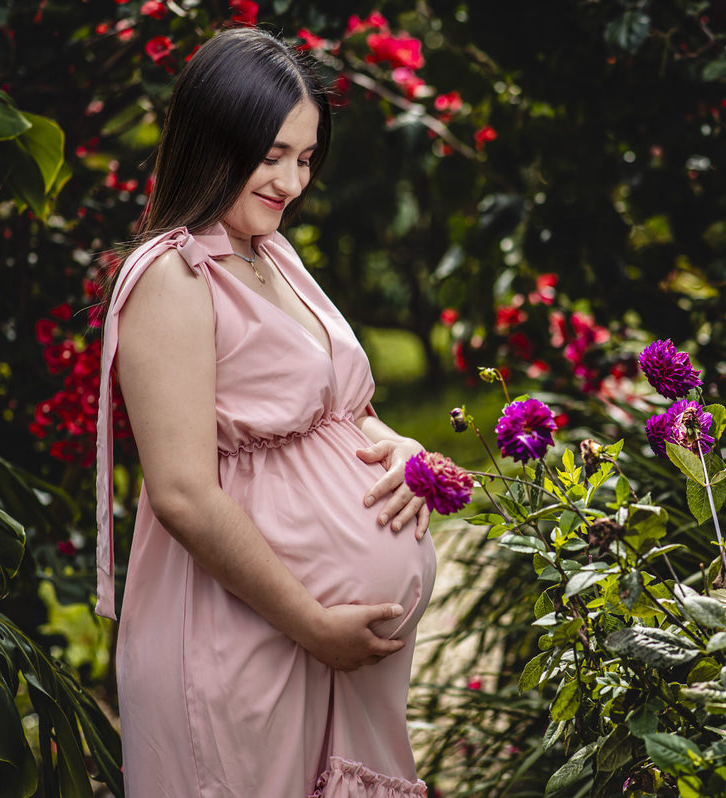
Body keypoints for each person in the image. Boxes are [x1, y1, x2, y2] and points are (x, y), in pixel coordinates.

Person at [94, 27, 436, 797]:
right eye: (272, 154)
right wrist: (314, 626)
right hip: (238, 636)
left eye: (306, 158)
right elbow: (182, 493)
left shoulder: (268, 249)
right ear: (216, 139)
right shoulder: (173, 278)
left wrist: (398, 448)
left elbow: (337, 404)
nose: (291, 181)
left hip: (314, 650)